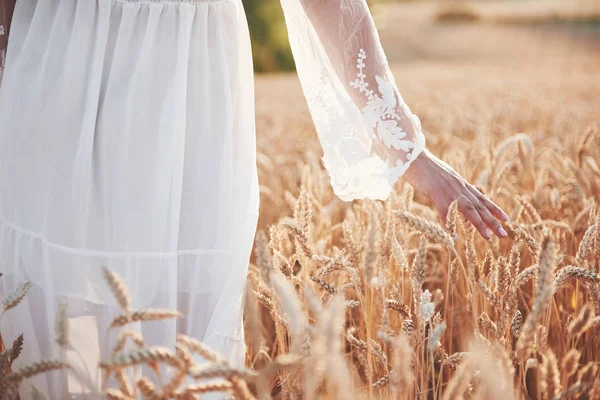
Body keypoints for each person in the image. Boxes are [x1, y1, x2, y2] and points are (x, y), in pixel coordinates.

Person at [0, 0, 508, 397]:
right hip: (56, 59)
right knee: (56, 318)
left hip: (191, 81)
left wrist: (404, 148)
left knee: (188, 337)